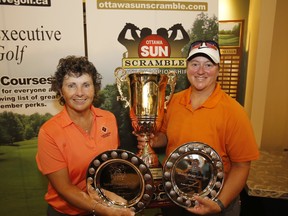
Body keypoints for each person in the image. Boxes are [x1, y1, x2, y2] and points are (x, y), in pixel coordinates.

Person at [136, 40, 259, 216]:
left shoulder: (234, 111)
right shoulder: (175, 101)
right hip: (174, 199)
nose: (201, 71)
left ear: (218, 69)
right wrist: (153, 140)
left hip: (216, 201)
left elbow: (241, 166)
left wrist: (219, 204)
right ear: (187, 67)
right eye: (195, 64)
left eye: (208, 64)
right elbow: (165, 135)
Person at [36, 55, 135, 216]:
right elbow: (65, 188)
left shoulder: (108, 119)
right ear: (61, 91)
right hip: (66, 212)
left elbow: (110, 167)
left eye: (86, 85)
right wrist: (105, 210)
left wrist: (123, 195)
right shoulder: (49, 132)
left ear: (95, 88)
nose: (80, 93)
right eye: (71, 86)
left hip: (104, 204)